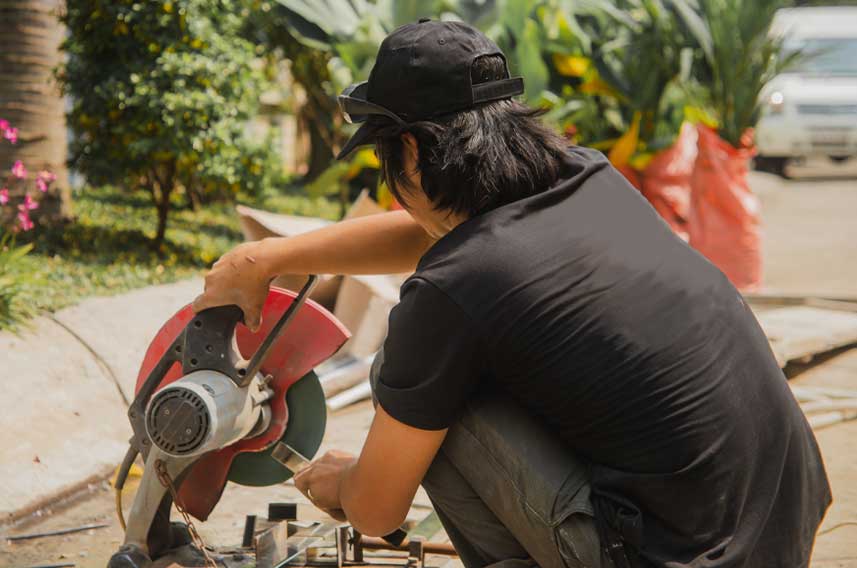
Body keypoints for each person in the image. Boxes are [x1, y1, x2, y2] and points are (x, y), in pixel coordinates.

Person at [193, 19, 831, 568]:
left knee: (415, 377)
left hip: (676, 556)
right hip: (778, 520)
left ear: (410, 149)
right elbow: (440, 236)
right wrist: (266, 256)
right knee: (449, 372)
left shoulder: (453, 292)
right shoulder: (586, 176)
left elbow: (375, 510)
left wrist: (346, 482)